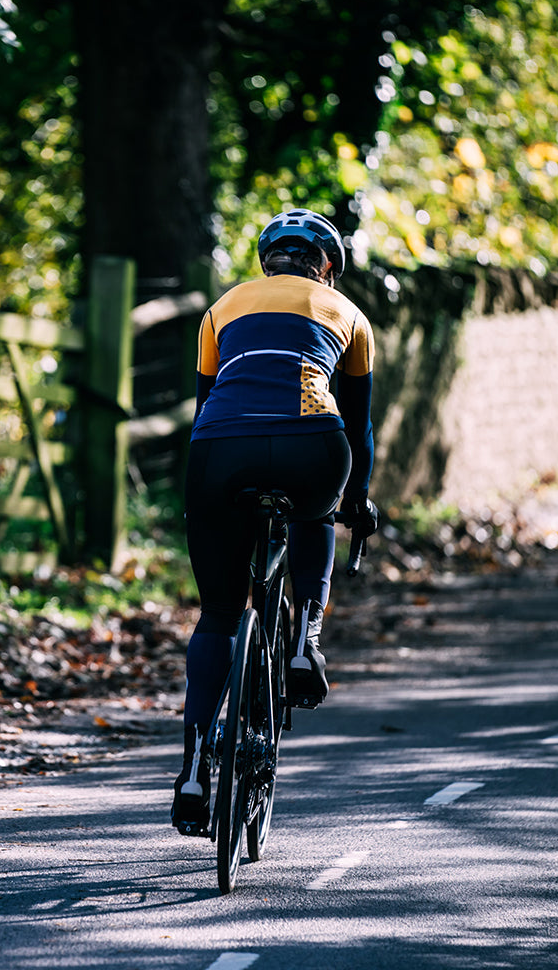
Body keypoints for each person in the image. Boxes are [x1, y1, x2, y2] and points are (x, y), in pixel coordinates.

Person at [171, 207, 380, 836]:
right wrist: (358, 498)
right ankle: (304, 641)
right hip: (312, 443)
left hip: (219, 449)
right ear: (328, 267)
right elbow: (360, 425)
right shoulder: (349, 316)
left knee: (217, 614)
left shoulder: (222, 308)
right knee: (320, 509)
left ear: (268, 260)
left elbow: (207, 403)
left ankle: (192, 768)